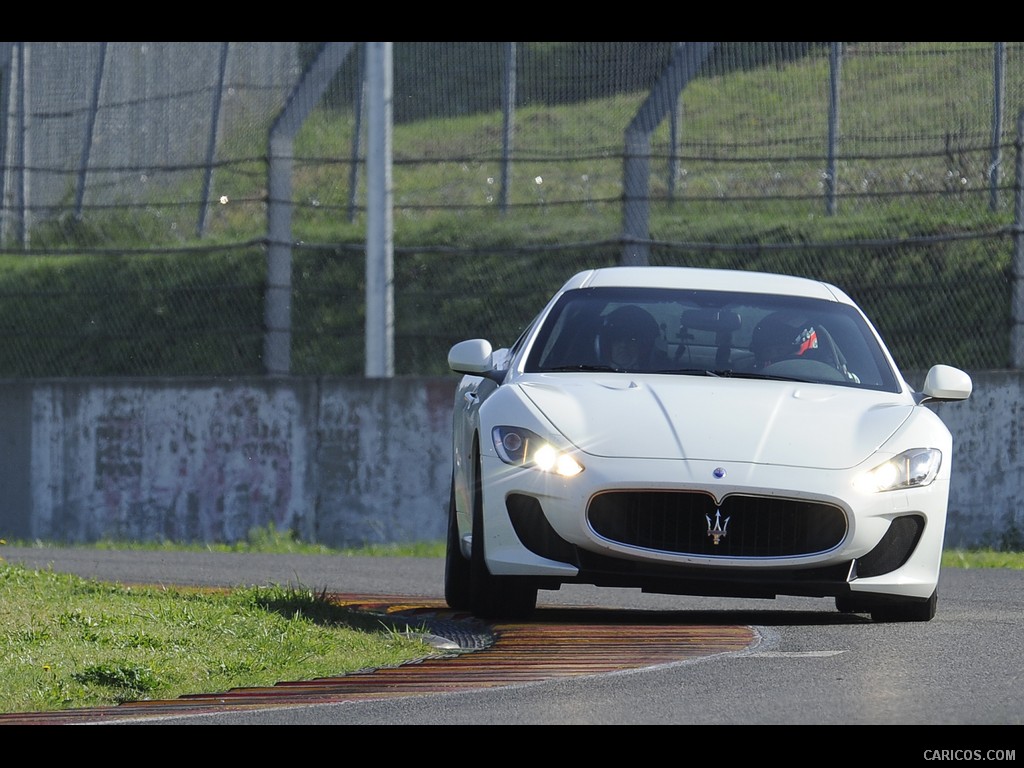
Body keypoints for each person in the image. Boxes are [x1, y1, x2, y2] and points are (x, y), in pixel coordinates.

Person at [750, 311, 819, 370]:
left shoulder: (812, 374)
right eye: (768, 352)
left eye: (780, 351)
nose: (774, 356)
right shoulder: (749, 375)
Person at [597, 305, 659, 369]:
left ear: (645, 347)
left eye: (632, 340)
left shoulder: (663, 374)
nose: (623, 345)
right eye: (617, 340)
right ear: (605, 346)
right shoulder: (591, 374)